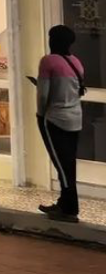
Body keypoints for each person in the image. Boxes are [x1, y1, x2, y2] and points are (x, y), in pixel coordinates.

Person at [37, 24, 85, 222]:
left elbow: (43, 94)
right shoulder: (76, 62)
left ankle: (69, 209)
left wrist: (41, 115)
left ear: (52, 40)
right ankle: (63, 202)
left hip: (55, 119)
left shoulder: (48, 62)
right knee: (68, 162)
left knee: (61, 164)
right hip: (76, 118)